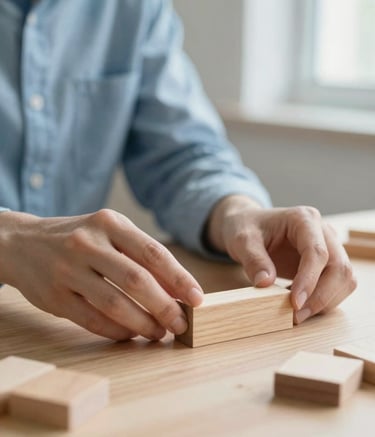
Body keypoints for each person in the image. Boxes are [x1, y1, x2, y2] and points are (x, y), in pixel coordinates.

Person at [0, 0, 356, 341]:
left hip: (65, 335)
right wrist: (11, 240)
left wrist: (237, 212)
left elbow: (181, 154)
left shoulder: (135, 7)